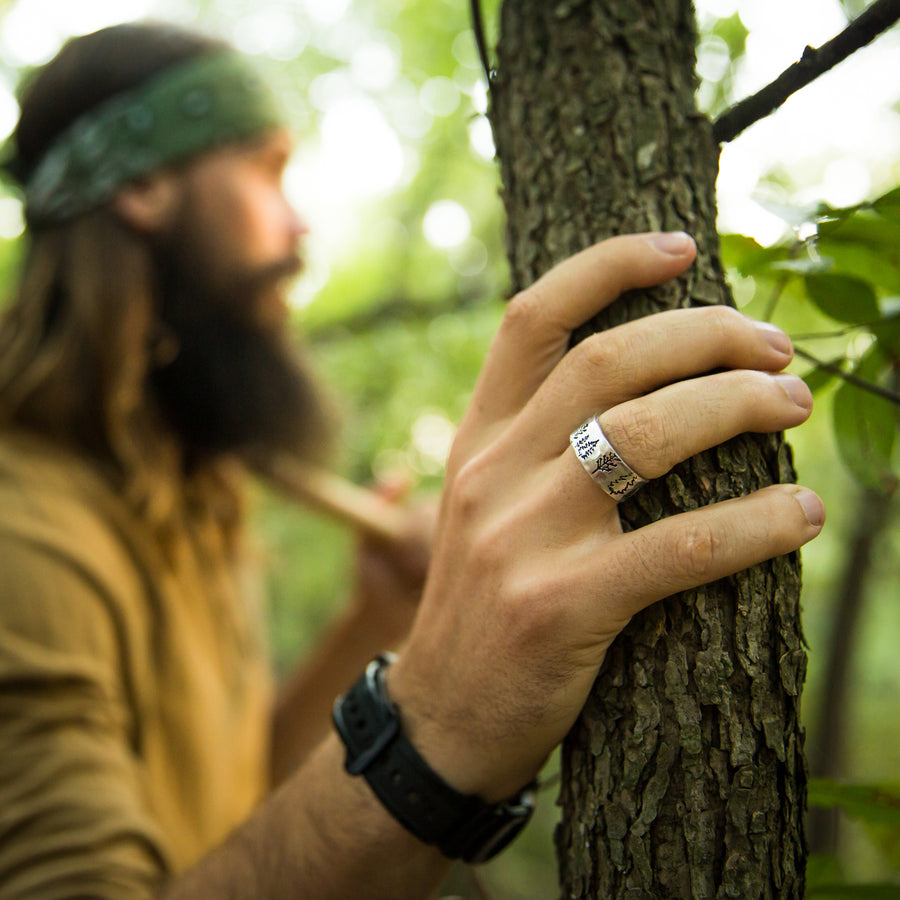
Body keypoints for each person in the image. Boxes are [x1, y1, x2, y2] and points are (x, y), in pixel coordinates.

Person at [0, 20, 825, 900]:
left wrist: (383, 618)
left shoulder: (191, 492)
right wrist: (435, 718)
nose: (298, 220)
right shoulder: (22, 526)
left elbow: (228, 813)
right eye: (266, 169)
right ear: (144, 185)